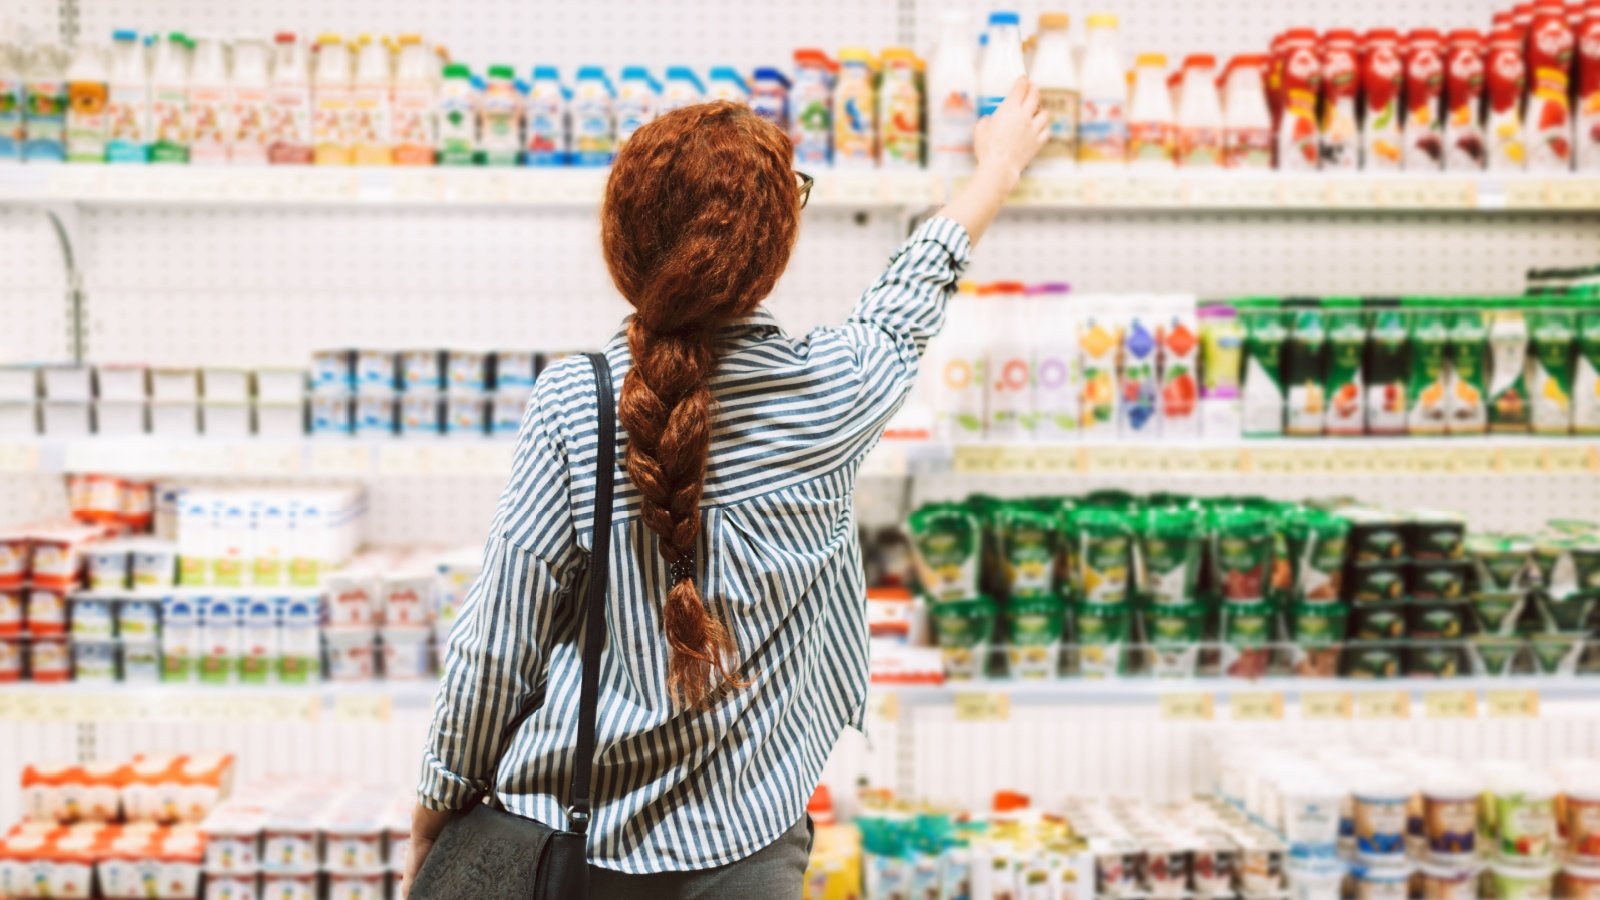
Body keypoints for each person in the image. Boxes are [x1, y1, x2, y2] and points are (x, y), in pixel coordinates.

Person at [405, 77, 1048, 897]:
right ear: (770, 251)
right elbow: (908, 295)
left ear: (622, 244)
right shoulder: (834, 393)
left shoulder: (578, 402)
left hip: (570, 848)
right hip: (747, 858)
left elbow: (498, 641)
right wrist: (996, 169)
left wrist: (440, 798)